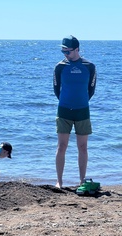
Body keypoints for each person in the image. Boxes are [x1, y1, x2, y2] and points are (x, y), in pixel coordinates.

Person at [53, 35, 96, 188]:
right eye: (63, 51)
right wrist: (66, 101)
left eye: (68, 51)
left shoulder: (89, 66)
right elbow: (56, 89)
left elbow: (91, 89)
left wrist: (81, 101)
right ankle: (59, 181)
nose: (65, 54)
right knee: (62, 146)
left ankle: (82, 180)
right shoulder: (60, 66)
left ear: (76, 49)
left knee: (83, 147)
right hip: (64, 110)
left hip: (82, 111)